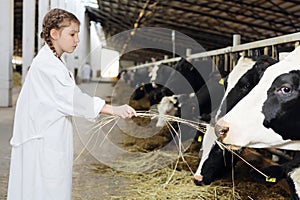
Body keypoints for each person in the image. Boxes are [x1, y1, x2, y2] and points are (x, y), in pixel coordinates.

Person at [7, 8, 136, 200]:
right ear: (54, 34)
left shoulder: (52, 61)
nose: (77, 40)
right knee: (46, 190)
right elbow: (74, 99)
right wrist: (114, 109)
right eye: (72, 34)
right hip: (43, 143)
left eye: (78, 34)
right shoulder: (47, 66)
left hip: (46, 137)